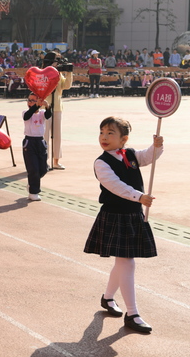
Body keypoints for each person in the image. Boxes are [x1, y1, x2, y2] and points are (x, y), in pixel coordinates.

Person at [84, 116, 163, 333]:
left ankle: (108, 298)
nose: (104, 137)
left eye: (110, 133)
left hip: (132, 215)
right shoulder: (101, 163)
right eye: (102, 132)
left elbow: (148, 157)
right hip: (115, 216)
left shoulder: (130, 154)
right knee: (127, 263)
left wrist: (157, 146)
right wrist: (139, 197)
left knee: (123, 263)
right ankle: (132, 314)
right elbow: (115, 186)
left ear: (124, 139)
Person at [43, 52, 73, 170]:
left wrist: (69, 72)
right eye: (57, 60)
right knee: (44, 134)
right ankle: (44, 160)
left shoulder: (59, 74)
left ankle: (56, 160)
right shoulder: (42, 73)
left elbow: (66, 86)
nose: (58, 63)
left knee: (57, 135)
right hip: (45, 107)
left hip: (57, 107)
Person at [22, 94, 52, 201]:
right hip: (29, 142)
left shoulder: (42, 113)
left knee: (43, 168)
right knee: (33, 168)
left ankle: (32, 183)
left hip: (40, 142)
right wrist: (36, 105)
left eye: (33, 100)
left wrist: (47, 106)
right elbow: (27, 116)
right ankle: (33, 192)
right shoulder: (25, 112)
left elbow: (48, 115)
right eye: (29, 100)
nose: (30, 102)